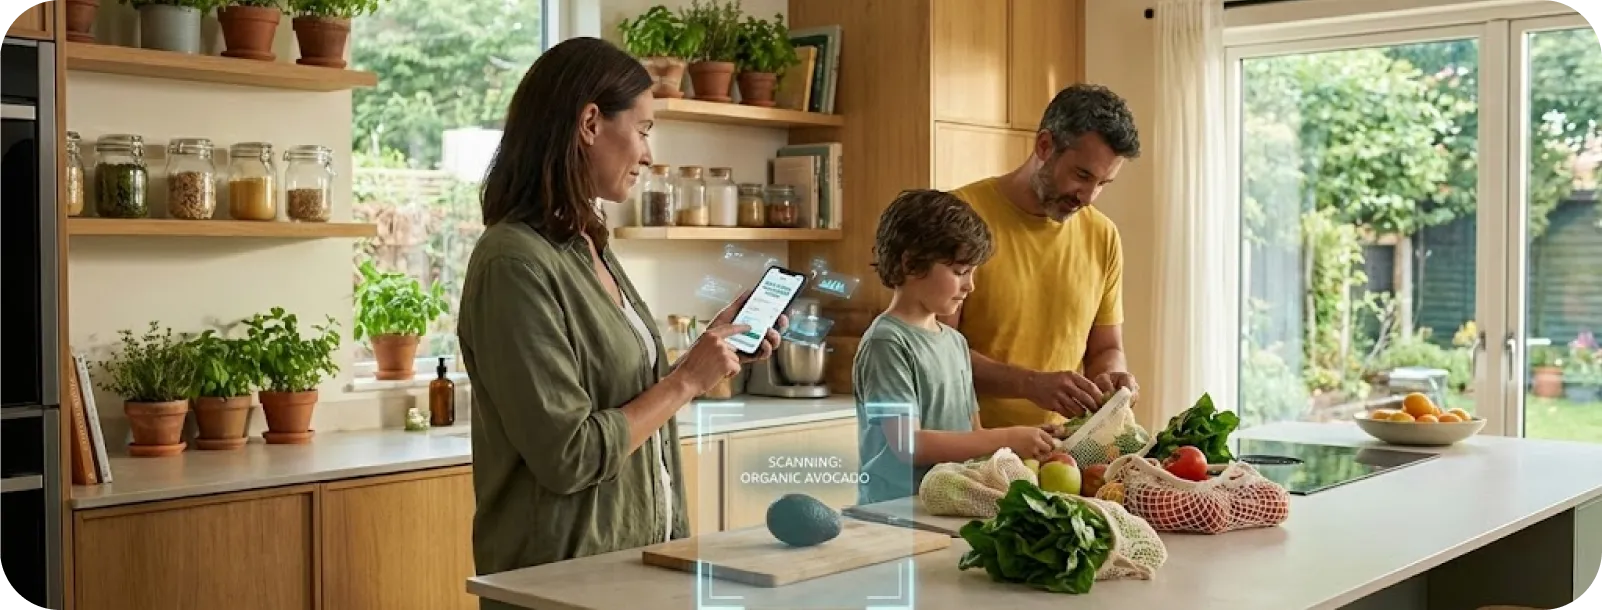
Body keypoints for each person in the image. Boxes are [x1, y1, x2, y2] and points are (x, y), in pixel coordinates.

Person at [455, 37, 783, 606]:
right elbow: (570, 455)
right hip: (561, 585)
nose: (649, 154)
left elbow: (629, 396)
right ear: (589, 123)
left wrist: (706, 355)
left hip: (638, 568)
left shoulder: (588, 244)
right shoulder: (513, 263)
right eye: (644, 129)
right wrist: (687, 381)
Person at [940, 83, 1144, 429]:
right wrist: (1029, 384)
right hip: (969, 448)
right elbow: (935, 353)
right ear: (1045, 145)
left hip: (1062, 448)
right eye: (1082, 175)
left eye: (1102, 184)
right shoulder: (957, 218)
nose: (1088, 197)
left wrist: (1113, 377)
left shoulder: (1103, 235)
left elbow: (1105, 348)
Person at [853, 189, 1060, 505]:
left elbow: (974, 435)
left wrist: (1027, 439)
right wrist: (1007, 437)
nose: (970, 285)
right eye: (960, 272)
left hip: (950, 504)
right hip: (895, 513)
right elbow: (907, 444)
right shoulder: (887, 343)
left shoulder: (955, 342)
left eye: (972, 273)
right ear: (911, 263)